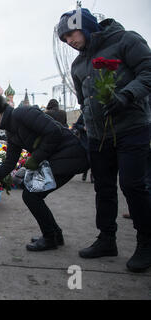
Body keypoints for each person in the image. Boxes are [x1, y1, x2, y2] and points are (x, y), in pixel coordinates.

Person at [57, 8, 151, 272]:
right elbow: (82, 100)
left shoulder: (125, 41)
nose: (69, 41)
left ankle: (146, 241)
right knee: (105, 188)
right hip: (99, 135)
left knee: (133, 185)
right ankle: (106, 239)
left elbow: (148, 72)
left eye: (71, 34)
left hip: (132, 127)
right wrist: (86, 122)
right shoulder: (78, 64)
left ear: (85, 25)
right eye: (64, 39)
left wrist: (126, 96)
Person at [0, 93, 89, 251]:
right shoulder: (11, 131)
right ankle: (55, 235)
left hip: (70, 155)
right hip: (59, 159)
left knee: (32, 195)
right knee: (33, 195)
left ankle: (50, 238)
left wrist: (36, 157)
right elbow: (10, 163)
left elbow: (54, 131)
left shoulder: (22, 113)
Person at [72, 113, 93, 183]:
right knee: (88, 156)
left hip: (95, 139)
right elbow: (76, 125)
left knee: (93, 157)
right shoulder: (84, 114)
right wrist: (83, 127)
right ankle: (87, 172)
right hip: (85, 140)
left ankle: (90, 173)